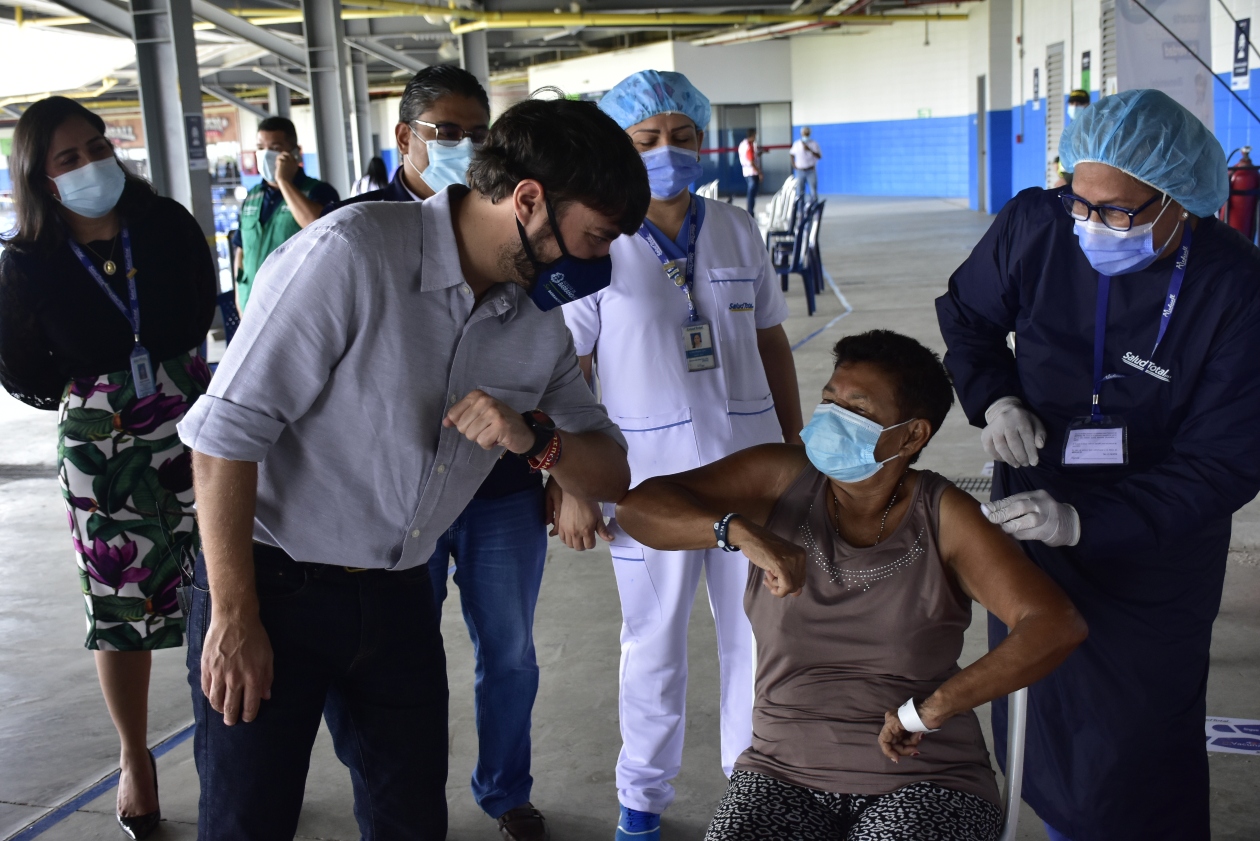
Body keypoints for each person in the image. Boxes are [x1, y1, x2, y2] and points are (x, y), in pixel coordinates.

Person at [175, 96, 649, 841]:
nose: (596, 265)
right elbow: (224, 435)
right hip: (272, 585)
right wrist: (234, 616)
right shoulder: (354, 253)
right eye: (591, 239)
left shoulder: (537, 324)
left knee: (411, 821)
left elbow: (611, 471)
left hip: (397, 596)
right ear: (528, 200)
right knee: (248, 819)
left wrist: (537, 443)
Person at [935, 89, 1260, 841]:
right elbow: (969, 319)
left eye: (1117, 212)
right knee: (1040, 708)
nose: (1090, 226)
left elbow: (1224, 460)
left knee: (1137, 736)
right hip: (1032, 506)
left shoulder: (1234, 285)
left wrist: (1085, 519)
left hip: (1158, 539)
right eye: (1078, 201)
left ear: (1181, 200)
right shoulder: (1036, 225)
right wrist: (996, 399)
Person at [614, 329, 1088, 841]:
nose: (832, 419)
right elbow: (638, 508)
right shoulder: (781, 478)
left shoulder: (944, 514)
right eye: (828, 401)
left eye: (857, 411)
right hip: (781, 771)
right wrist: (741, 533)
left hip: (927, 777)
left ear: (911, 436)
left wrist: (935, 707)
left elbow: (1053, 623)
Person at [557, 69, 802, 841]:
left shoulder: (735, 227)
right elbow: (566, 368)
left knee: (757, 641)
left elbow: (770, 340)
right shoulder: (597, 241)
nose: (669, 151)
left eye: (683, 136)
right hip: (644, 482)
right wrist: (570, 484)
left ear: (705, 140)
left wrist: (795, 454)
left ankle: (749, 790)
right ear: (620, 148)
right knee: (653, 646)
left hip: (751, 470)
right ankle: (640, 805)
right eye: (647, 139)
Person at [324, 64, 552, 841]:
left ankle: (505, 789)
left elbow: (555, 356)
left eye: (478, 133)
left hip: (498, 492)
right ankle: (391, 795)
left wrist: (559, 461)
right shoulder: (357, 234)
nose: (464, 146)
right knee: (386, 662)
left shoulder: (515, 232)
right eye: (446, 132)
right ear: (405, 138)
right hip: (392, 497)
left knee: (510, 653)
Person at [0, 96, 216, 840]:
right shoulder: (28, 261)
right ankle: (136, 759)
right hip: (101, 441)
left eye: (97, 146)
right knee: (121, 608)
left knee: (220, 588)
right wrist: (93, 384)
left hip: (194, 414)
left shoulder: (165, 225)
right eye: (69, 158)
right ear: (41, 177)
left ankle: (226, 745)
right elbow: (21, 366)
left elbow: (201, 304)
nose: (92, 163)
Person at [231, 116, 338, 313]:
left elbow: (320, 229)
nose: (265, 154)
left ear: (295, 153)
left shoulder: (318, 192)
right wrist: (240, 298)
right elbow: (241, 249)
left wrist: (284, 181)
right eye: (261, 147)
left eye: (275, 148)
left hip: (295, 309)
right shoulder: (253, 196)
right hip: (251, 307)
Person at [790, 126, 823, 198]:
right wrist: (793, 164)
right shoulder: (797, 144)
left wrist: (810, 150)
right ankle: (801, 207)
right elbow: (791, 154)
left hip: (811, 170)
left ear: (809, 134)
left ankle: (814, 206)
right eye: (804, 133)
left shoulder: (814, 144)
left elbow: (819, 156)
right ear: (801, 134)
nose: (806, 135)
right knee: (800, 191)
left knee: (813, 190)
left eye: (807, 133)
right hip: (800, 170)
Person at [737, 128, 761, 216]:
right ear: (753, 135)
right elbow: (751, 160)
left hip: (747, 171)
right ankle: (750, 212)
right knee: (751, 193)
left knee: (751, 193)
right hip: (752, 172)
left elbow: (751, 156)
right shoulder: (748, 146)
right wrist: (759, 172)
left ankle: (750, 211)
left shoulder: (743, 144)